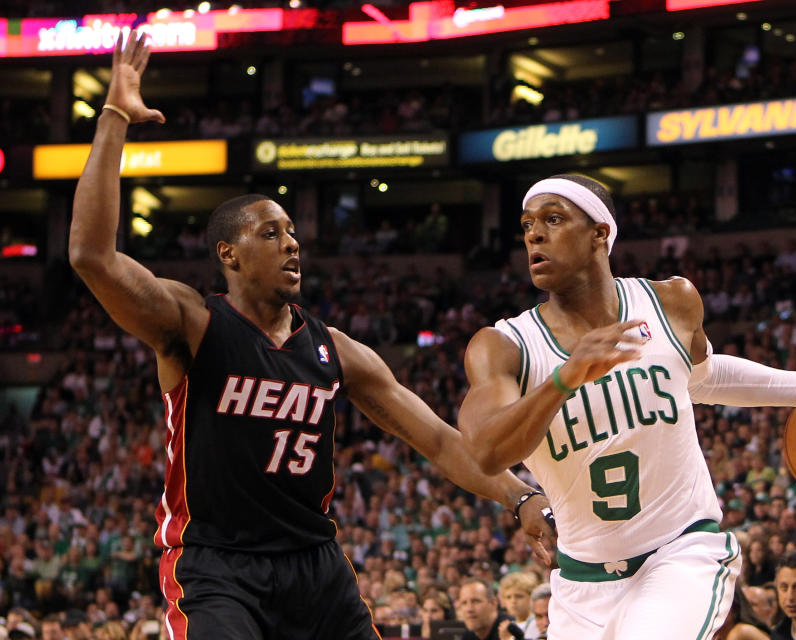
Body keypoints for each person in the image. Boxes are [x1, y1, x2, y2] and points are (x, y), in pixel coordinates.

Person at [68, 34, 554, 640]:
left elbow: (438, 438)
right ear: (229, 254)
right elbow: (91, 255)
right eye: (270, 234)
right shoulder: (191, 323)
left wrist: (519, 497)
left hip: (315, 566)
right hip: (218, 567)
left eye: (292, 232)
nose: (292, 243)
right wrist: (114, 116)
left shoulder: (334, 350)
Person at [457, 173, 796, 639]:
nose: (534, 233)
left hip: (680, 553)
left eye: (553, 219)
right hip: (582, 582)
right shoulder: (504, 346)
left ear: (600, 233)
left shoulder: (670, 301)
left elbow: (705, 377)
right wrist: (563, 379)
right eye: (528, 224)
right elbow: (488, 453)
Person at [497, 572, 538, 639]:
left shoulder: (536, 623)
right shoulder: (511, 625)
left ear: (531, 597)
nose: (513, 601)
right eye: (508, 597)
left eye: (519, 596)